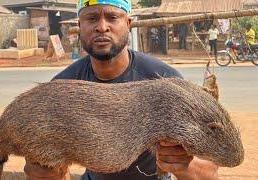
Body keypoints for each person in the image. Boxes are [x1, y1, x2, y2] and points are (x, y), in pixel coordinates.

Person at [24, 0, 219, 180]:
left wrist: (182, 165)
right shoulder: (62, 88)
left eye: (112, 17)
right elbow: (57, 170)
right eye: (91, 18)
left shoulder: (165, 82)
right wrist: (45, 173)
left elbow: (209, 173)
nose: (101, 27)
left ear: (128, 23)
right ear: (80, 26)